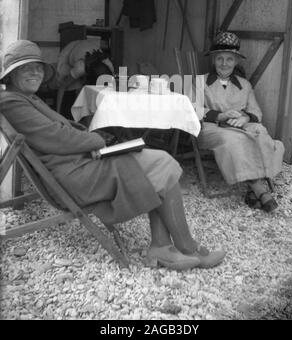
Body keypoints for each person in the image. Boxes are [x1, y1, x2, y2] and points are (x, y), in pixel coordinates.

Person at [0, 40, 225, 271]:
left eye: (38, 67)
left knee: (161, 161)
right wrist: (98, 140)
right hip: (73, 176)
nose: (35, 72)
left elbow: (59, 133)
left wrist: (94, 143)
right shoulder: (12, 103)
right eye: (27, 68)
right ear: (11, 75)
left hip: (76, 163)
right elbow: (56, 137)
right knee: (162, 163)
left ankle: (163, 246)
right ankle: (183, 247)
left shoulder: (26, 98)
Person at [198, 32, 284, 212]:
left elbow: (256, 111)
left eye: (229, 59)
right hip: (212, 127)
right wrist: (220, 116)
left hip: (241, 124)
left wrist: (245, 118)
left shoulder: (244, 84)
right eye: (219, 58)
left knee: (260, 132)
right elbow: (192, 109)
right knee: (234, 140)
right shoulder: (200, 82)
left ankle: (254, 189)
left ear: (236, 61)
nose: (224, 63)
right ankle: (259, 188)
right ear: (213, 60)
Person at [56, 39, 114, 117]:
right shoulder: (80, 68)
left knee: (92, 94)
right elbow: (62, 87)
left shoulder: (109, 67)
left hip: (86, 50)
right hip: (70, 52)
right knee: (69, 87)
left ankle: (83, 115)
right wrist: (57, 113)